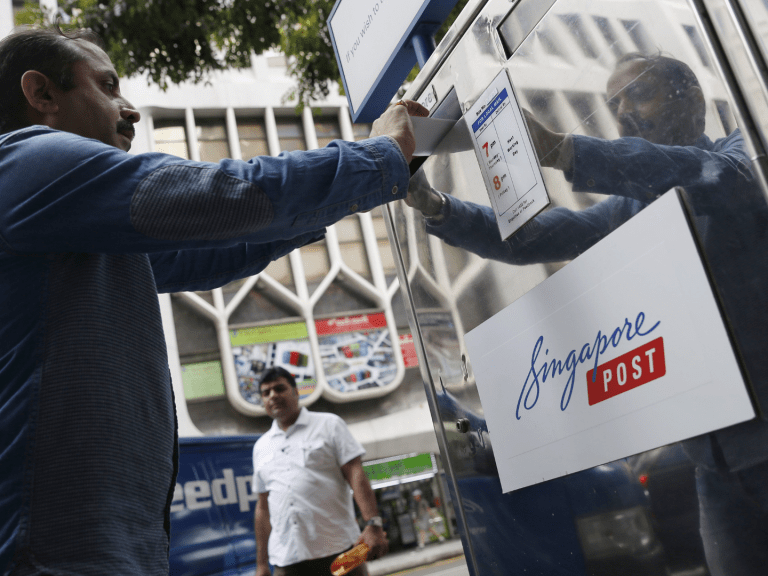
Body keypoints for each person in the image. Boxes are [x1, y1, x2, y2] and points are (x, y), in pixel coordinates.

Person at [0, 26, 427, 576]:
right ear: (42, 95)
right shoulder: (25, 163)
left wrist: (367, 183)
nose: (128, 110)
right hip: (54, 554)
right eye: (108, 87)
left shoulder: (75, 227)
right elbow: (224, 195)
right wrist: (381, 155)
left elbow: (220, 247)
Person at [408, 53, 768, 576]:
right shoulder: (631, 209)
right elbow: (535, 237)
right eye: (613, 104)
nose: (623, 114)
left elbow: (711, 176)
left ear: (691, 99)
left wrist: (562, 149)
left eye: (637, 94)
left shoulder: (742, 155)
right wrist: (435, 204)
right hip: (714, 464)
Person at [252, 367, 387, 576]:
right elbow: (263, 508)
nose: (273, 396)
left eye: (280, 388)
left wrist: (373, 523)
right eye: (266, 392)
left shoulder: (329, 425)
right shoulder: (261, 447)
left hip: (343, 552)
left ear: (296, 392)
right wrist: (261, 564)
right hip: (287, 561)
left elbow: (355, 473)